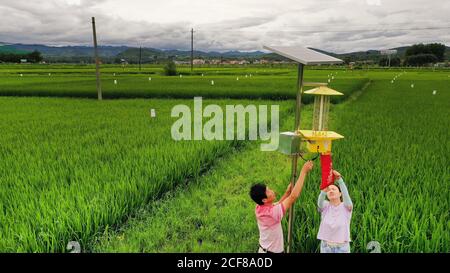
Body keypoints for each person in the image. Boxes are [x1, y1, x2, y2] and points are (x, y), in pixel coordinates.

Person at [250, 161, 314, 253]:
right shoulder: (273, 213)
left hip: (264, 249)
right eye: (268, 191)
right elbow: (293, 197)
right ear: (264, 200)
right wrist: (303, 171)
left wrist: (287, 193)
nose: (272, 191)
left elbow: (278, 205)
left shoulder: (259, 208)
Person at [317, 170, 353, 253]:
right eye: (329, 190)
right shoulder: (325, 206)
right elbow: (319, 203)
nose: (331, 191)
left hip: (342, 248)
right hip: (325, 247)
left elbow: (346, 195)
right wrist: (323, 191)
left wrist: (340, 180)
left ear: (340, 194)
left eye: (334, 189)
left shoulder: (346, 207)